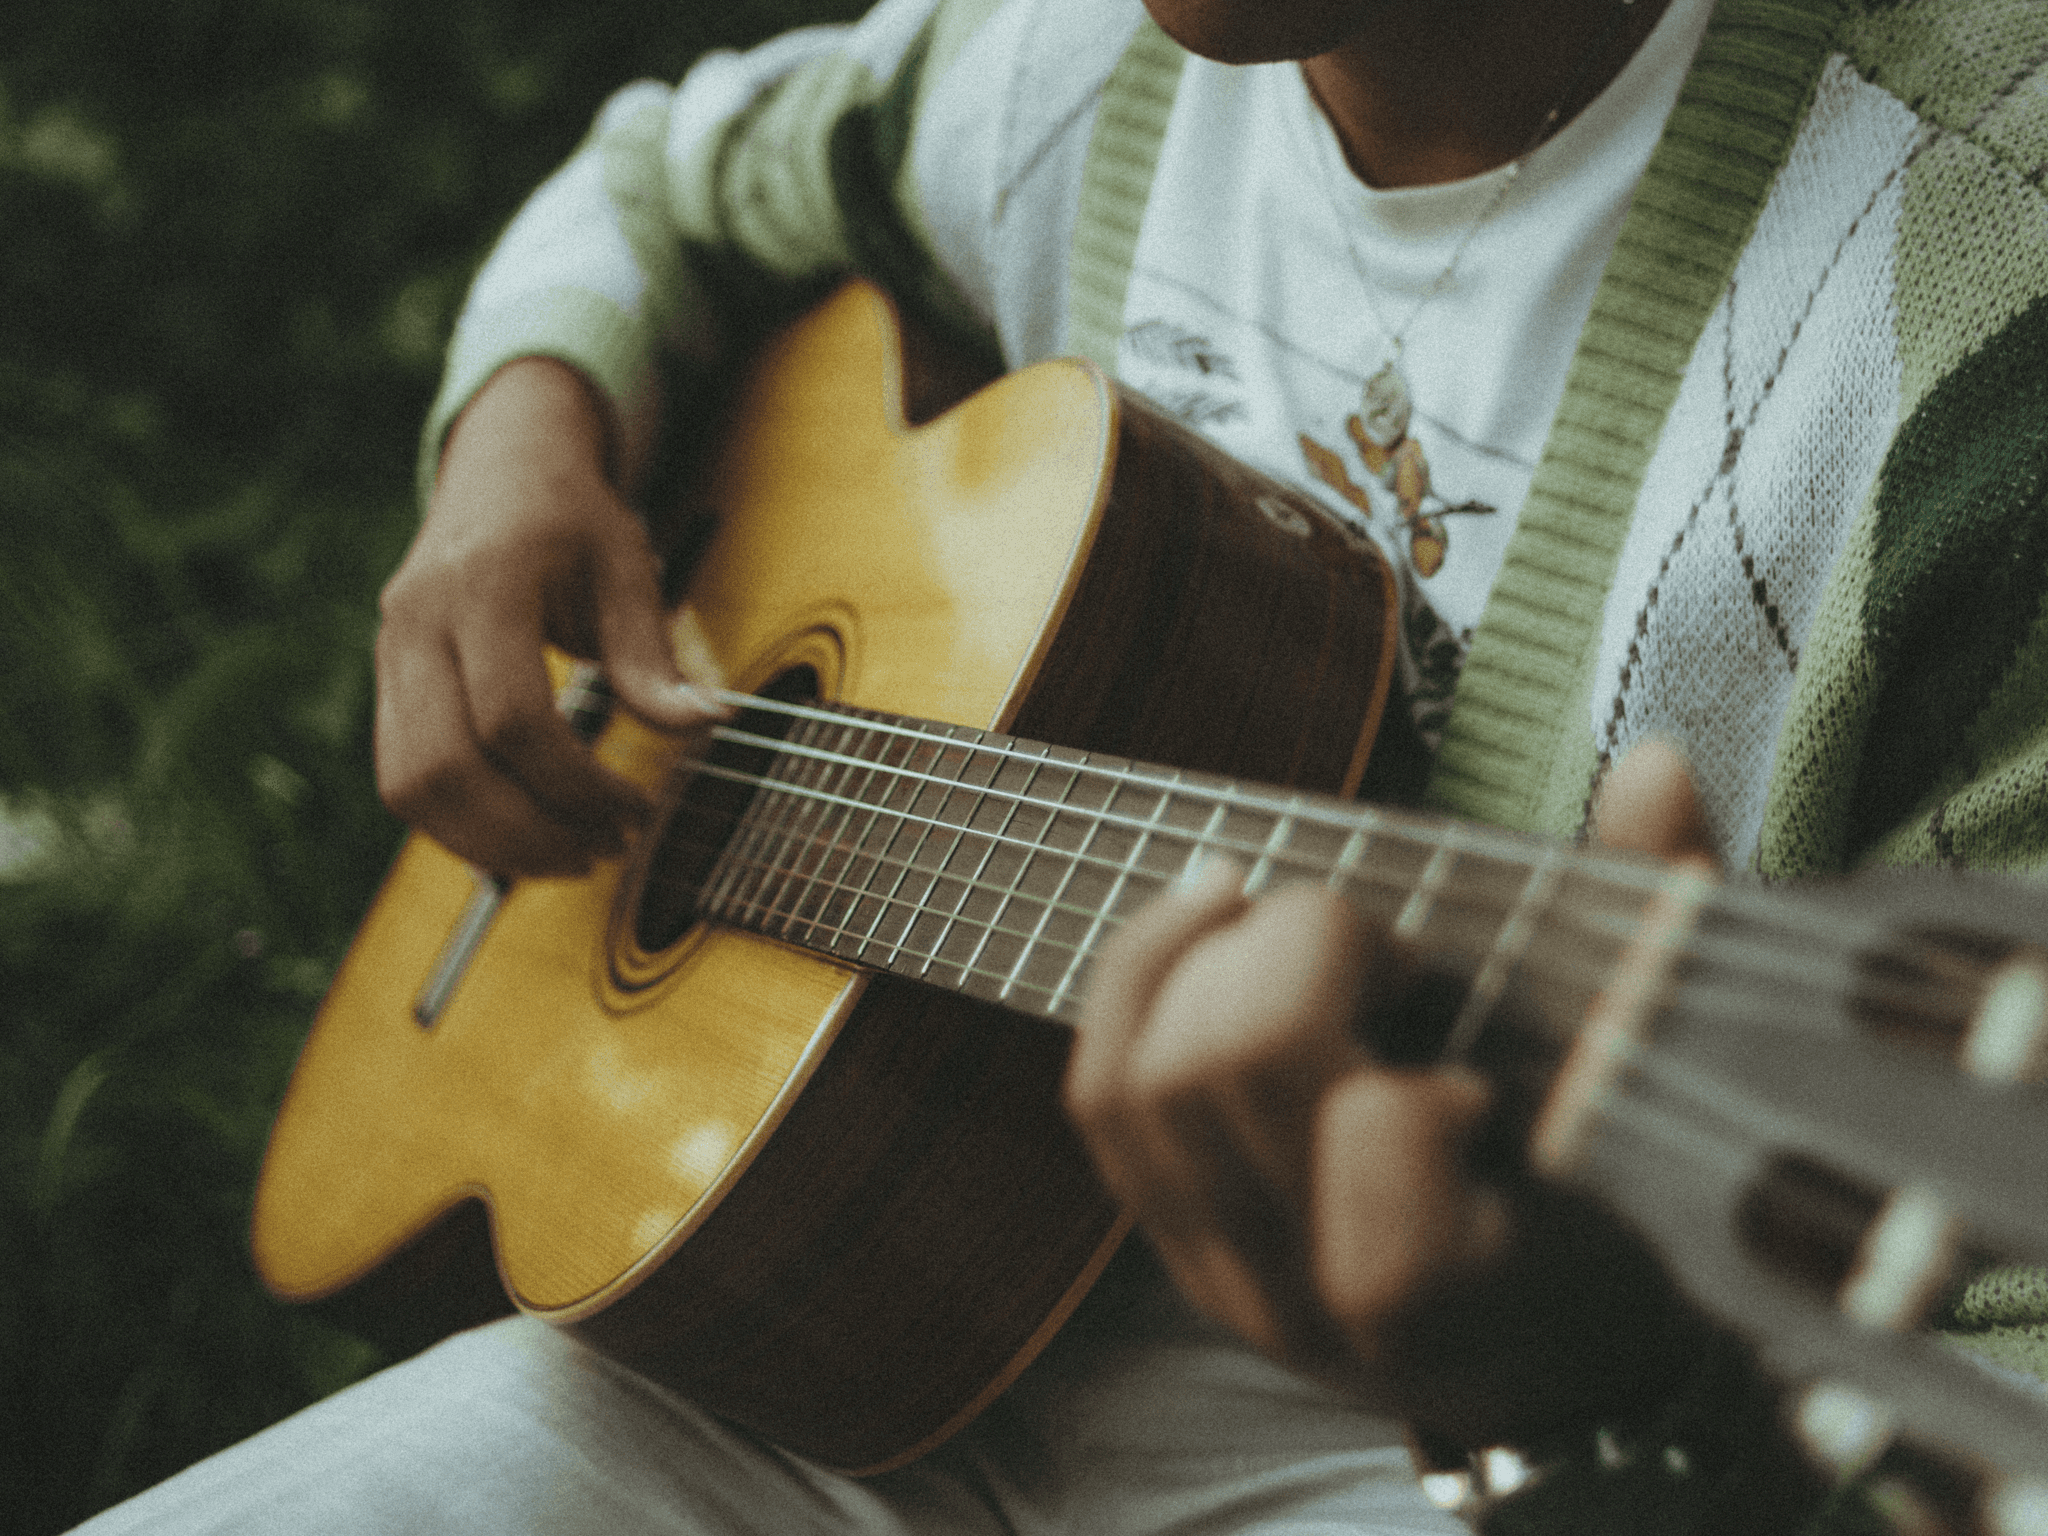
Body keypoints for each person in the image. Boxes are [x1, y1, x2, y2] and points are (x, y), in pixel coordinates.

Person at [75, 0, 2048, 1530]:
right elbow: (663, 177)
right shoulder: (1073, 63)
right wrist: (518, 440)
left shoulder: (1978, 298)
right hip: (836, 1353)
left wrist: (1594, 1406)